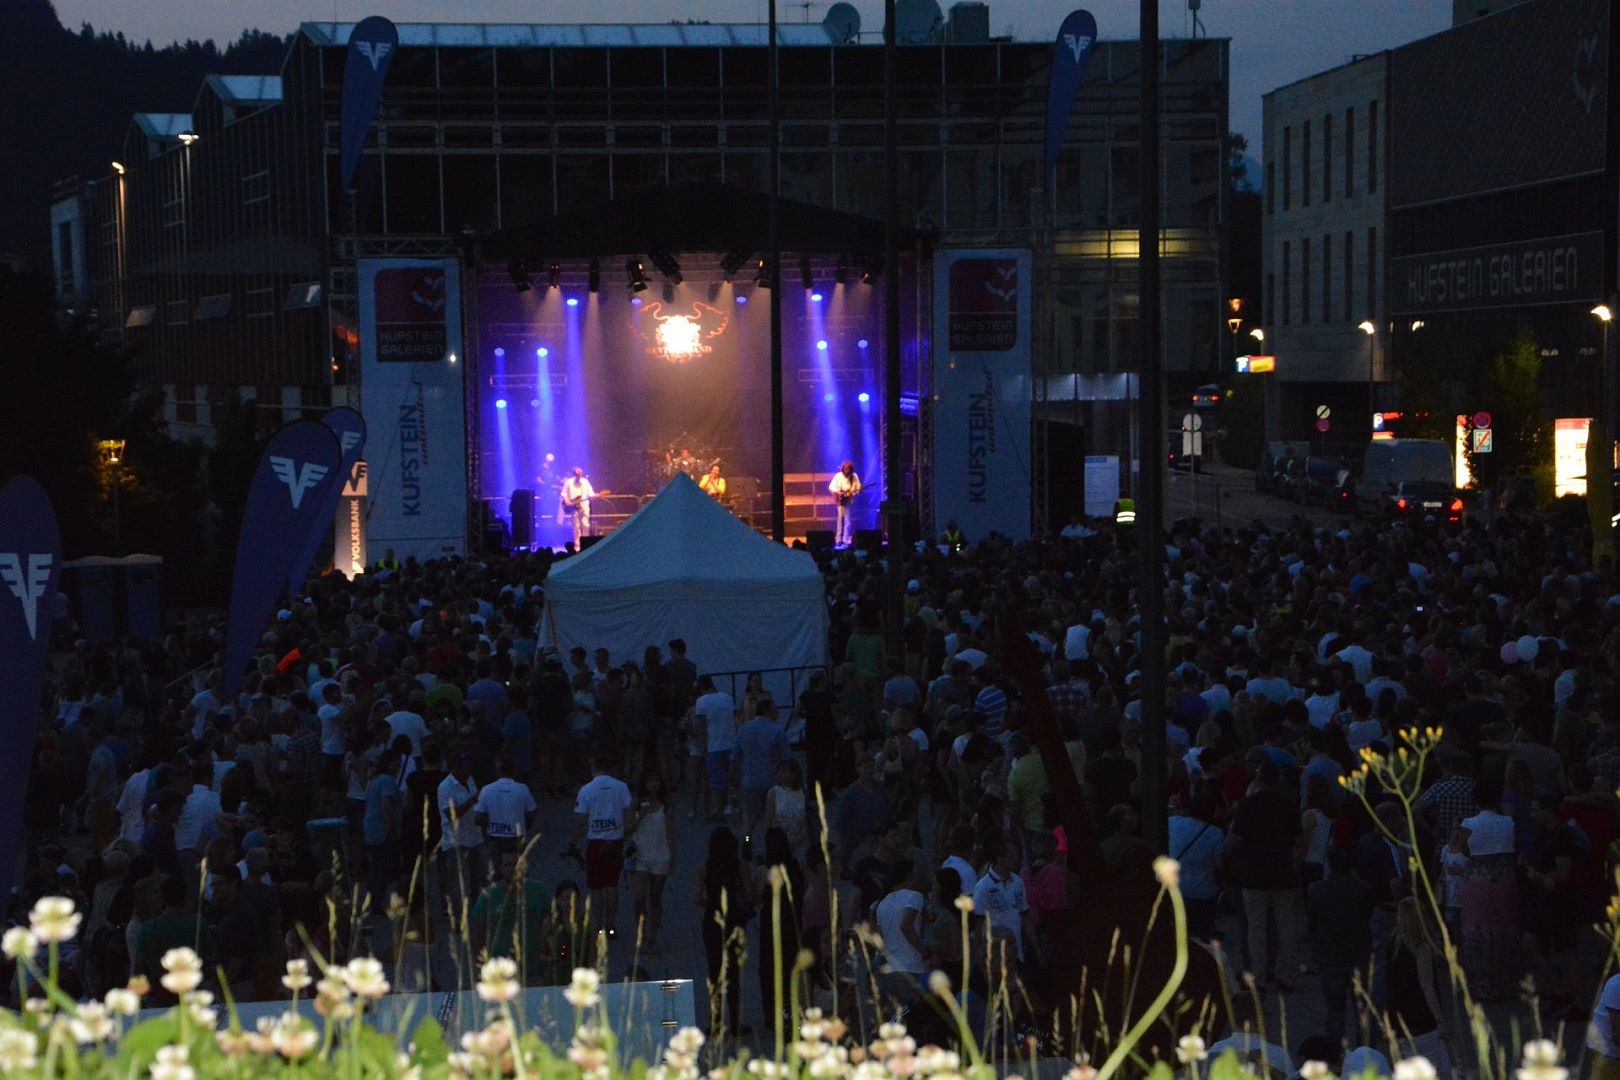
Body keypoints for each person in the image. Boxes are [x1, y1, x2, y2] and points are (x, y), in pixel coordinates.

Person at [1307, 847, 1374, 1042]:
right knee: (1363, 1009)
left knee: (1334, 1010)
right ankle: (1366, 1049)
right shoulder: (1365, 889)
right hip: (1358, 953)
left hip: (1329, 955)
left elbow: (1312, 919)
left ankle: (1335, 1051)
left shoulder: (1316, 890)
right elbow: (1368, 914)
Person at [1459, 779, 1518, 1000]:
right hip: (1504, 881)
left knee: (1477, 931)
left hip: (1477, 882)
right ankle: (1505, 983)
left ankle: (1481, 985)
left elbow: (1466, 852)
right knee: (1504, 929)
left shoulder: (1468, 824)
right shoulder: (1507, 822)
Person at [695, 827, 751, 1039]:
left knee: (715, 972)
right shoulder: (740, 867)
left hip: (712, 922)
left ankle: (716, 1023)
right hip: (735, 921)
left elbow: (695, 898)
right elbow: (749, 894)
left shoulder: (705, 868)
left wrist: (711, 903)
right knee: (734, 973)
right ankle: (736, 1022)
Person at [572, 753, 634, 939]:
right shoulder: (621, 787)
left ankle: (597, 927)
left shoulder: (586, 790)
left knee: (596, 887)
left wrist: (574, 840)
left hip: (595, 841)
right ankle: (611, 926)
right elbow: (630, 810)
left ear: (594, 768)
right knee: (611, 884)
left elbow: (581, 819)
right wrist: (627, 832)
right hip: (615, 840)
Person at [1387, 897, 1450, 1072]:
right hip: (1421, 1017)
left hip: (1398, 1017)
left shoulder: (1392, 944)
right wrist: (1439, 1019)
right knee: (1435, 1067)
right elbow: (1427, 986)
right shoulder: (1420, 947)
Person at [626, 774, 675, 950]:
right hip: (640, 856)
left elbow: (670, 831)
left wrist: (672, 856)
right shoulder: (636, 804)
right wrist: (640, 817)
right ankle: (641, 934)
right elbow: (627, 829)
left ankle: (652, 938)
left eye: (656, 780)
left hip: (660, 856)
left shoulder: (665, 805)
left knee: (655, 898)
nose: (653, 784)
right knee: (639, 898)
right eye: (650, 780)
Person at [736, 699, 789, 849]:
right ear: (767, 711)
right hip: (772, 780)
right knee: (771, 815)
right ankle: (769, 843)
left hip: (750, 780)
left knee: (749, 814)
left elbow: (736, 754)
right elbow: (786, 758)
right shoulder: (778, 730)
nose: (778, 712)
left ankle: (747, 839)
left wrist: (733, 775)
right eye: (775, 709)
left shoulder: (744, 728)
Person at [828, 460, 862, 547]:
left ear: (851, 469)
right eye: (845, 469)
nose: (847, 471)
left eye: (848, 469)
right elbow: (831, 487)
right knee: (840, 519)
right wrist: (838, 492)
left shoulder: (854, 476)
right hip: (840, 500)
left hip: (849, 500)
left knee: (848, 520)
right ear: (843, 469)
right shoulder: (838, 476)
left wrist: (857, 491)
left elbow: (858, 487)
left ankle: (846, 539)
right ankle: (838, 540)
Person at [561, 467, 595, 549]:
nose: (579, 475)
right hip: (574, 506)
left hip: (584, 506)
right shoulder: (569, 482)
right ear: (574, 474)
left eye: (580, 473)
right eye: (577, 473)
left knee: (585, 525)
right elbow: (564, 493)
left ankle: (586, 545)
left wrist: (594, 496)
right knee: (576, 526)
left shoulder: (585, 482)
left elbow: (591, 493)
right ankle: (577, 546)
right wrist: (567, 500)